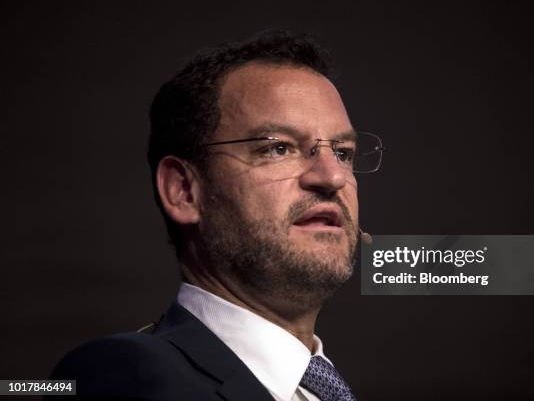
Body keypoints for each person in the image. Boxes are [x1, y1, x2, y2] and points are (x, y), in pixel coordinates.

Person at [48, 30, 384, 401]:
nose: (333, 176)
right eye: (278, 148)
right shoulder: (124, 376)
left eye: (343, 152)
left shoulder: (324, 389)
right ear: (184, 191)